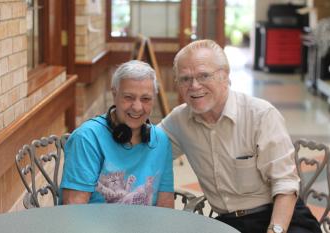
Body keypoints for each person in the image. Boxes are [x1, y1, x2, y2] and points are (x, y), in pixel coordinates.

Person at [159, 40, 321, 233]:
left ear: (225, 75)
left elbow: (285, 184)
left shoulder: (260, 115)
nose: (194, 86)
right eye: (185, 79)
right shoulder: (179, 121)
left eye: (204, 76)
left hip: (282, 218)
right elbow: (145, 148)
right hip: (229, 224)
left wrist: (275, 230)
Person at [60, 60, 174, 208]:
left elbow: (166, 206)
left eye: (145, 99)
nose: (137, 107)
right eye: (129, 97)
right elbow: (73, 210)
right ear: (114, 94)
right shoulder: (87, 138)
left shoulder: (161, 140)